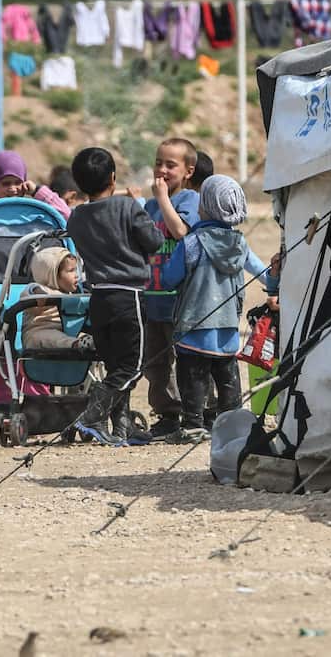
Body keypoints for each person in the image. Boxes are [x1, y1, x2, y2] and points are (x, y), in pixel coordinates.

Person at [159, 175, 275, 442]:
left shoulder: (191, 244)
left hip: (193, 328)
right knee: (227, 377)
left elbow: (168, 279)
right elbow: (265, 275)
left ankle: (193, 426)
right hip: (227, 331)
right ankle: (233, 426)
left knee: (193, 377)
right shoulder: (239, 244)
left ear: (205, 206)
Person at [65, 147, 164, 445]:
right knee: (133, 367)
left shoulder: (75, 218)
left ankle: (122, 427)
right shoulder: (127, 208)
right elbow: (155, 242)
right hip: (128, 296)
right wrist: (141, 207)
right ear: (112, 177)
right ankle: (94, 412)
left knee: (114, 365)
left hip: (98, 299)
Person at [140, 138, 200, 439]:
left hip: (180, 298)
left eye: (170, 165)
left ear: (188, 171)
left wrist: (163, 199)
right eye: (158, 163)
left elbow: (181, 232)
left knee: (188, 360)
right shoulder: (149, 206)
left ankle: (194, 412)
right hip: (153, 295)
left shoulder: (189, 200)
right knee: (157, 362)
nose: (162, 170)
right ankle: (166, 414)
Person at [22, 246, 95, 354]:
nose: (77, 276)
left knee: (87, 335)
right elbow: (27, 295)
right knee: (52, 337)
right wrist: (39, 295)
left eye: (76, 270)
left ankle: (90, 343)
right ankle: (76, 345)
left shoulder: (73, 294)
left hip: (70, 332)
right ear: (52, 274)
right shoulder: (39, 288)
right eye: (71, 271)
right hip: (39, 333)